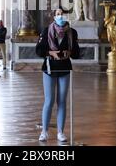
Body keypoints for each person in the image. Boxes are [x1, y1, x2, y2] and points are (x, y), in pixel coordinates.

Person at [35, 8, 80, 142]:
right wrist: (50, 53)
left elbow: (77, 53)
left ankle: (60, 132)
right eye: (58, 14)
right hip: (50, 68)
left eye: (63, 14)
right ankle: (44, 131)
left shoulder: (72, 32)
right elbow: (38, 50)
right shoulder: (46, 30)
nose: (61, 16)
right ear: (54, 17)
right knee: (49, 100)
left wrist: (70, 52)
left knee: (62, 101)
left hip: (64, 68)